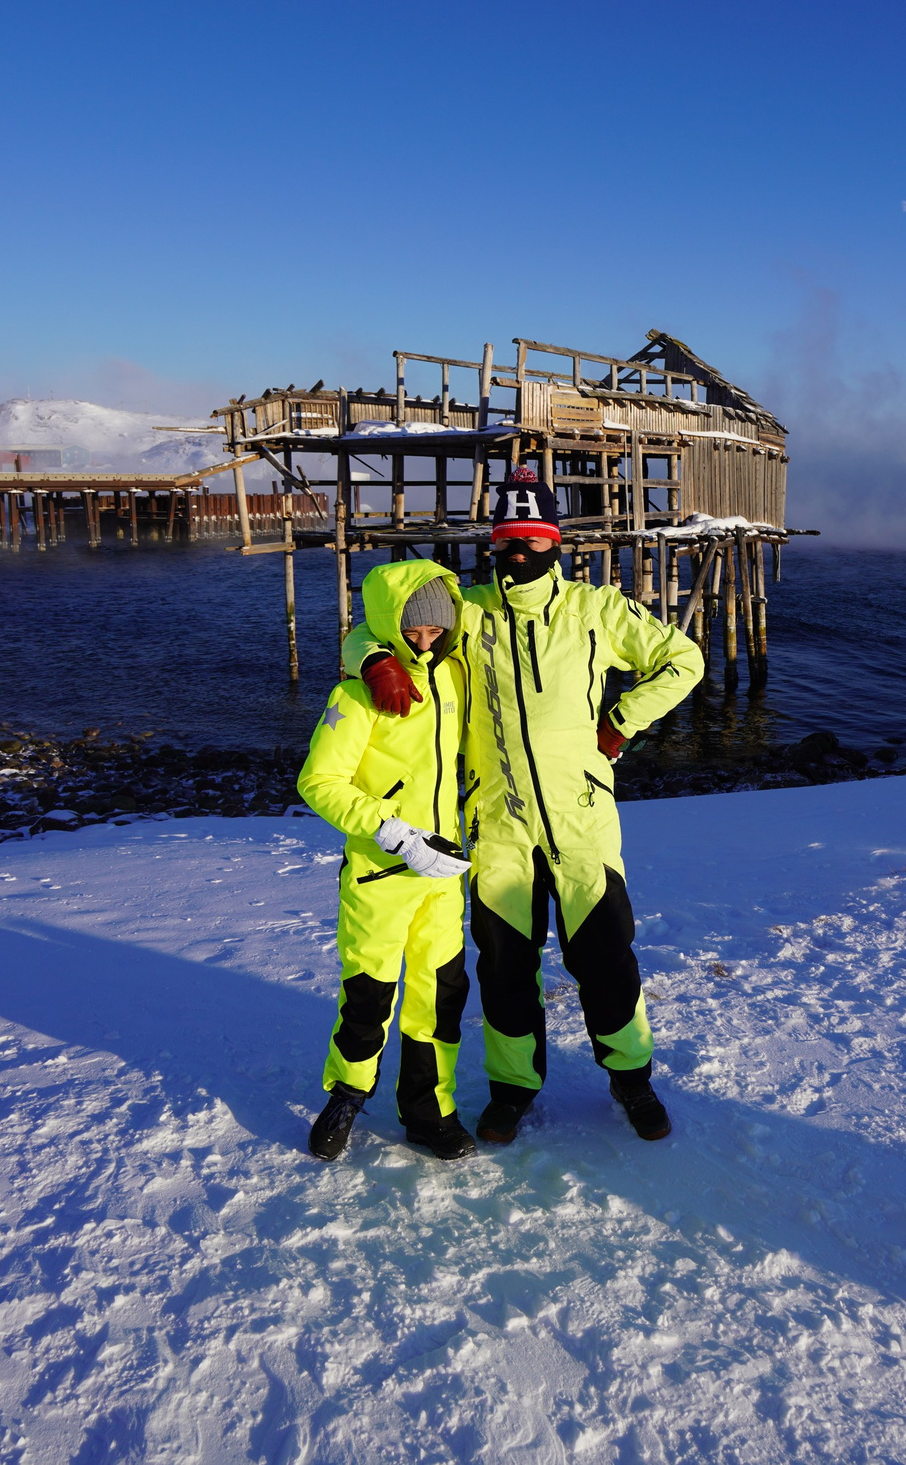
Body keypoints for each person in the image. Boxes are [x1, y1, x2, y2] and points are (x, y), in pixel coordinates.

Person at [347, 465, 704, 1145]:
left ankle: (631, 1076)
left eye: (532, 539)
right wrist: (372, 660)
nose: (518, 551)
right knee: (506, 966)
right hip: (497, 825)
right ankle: (513, 1087)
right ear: (493, 544)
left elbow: (683, 660)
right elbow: (381, 624)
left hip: (581, 818)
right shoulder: (468, 611)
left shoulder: (595, 610)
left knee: (606, 954)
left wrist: (622, 720)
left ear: (555, 542)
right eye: (507, 540)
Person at [295, 559, 477, 1162]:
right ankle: (347, 1097)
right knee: (368, 994)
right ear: (388, 627)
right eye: (411, 631)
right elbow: (319, 782)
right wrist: (393, 833)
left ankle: (429, 1111)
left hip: (442, 876)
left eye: (435, 630)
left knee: (438, 998)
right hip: (380, 872)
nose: (424, 642)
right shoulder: (357, 694)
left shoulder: (454, 676)